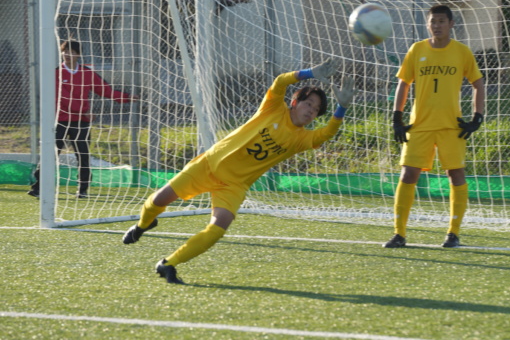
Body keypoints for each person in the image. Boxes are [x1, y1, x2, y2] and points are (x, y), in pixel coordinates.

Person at [122, 59, 355, 284]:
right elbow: (279, 82)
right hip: (209, 165)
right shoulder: (273, 108)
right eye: (308, 104)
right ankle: (143, 225)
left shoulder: (302, 139)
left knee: (217, 229)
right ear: (295, 102)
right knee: (157, 201)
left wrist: (341, 108)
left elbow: (325, 135)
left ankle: (168, 264)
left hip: (234, 185)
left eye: (316, 110)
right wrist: (308, 73)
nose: (311, 111)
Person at [383, 4, 485, 249]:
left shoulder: (461, 52)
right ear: (427, 25)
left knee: (456, 174)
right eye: (433, 21)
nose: (437, 25)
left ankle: (453, 233)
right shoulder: (417, 49)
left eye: (441, 21)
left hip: (452, 126)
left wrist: (477, 117)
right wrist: (397, 116)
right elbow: (403, 83)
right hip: (420, 125)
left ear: (451, 24)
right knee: (408, 173)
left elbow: (478, 84)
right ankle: (399, 234)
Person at [28, 39, 138, 199]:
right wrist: (82, 112)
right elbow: (61, 98)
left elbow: (106, 90)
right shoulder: (56, 73)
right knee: (50, 154)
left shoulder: (87, 73)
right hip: (60, 121)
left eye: (71, 52)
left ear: (78, 54)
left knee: (83, 155)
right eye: (64, 51)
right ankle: (39, 187)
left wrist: (127, 97)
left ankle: (83, 189)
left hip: (81, 123)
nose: (67, 55)